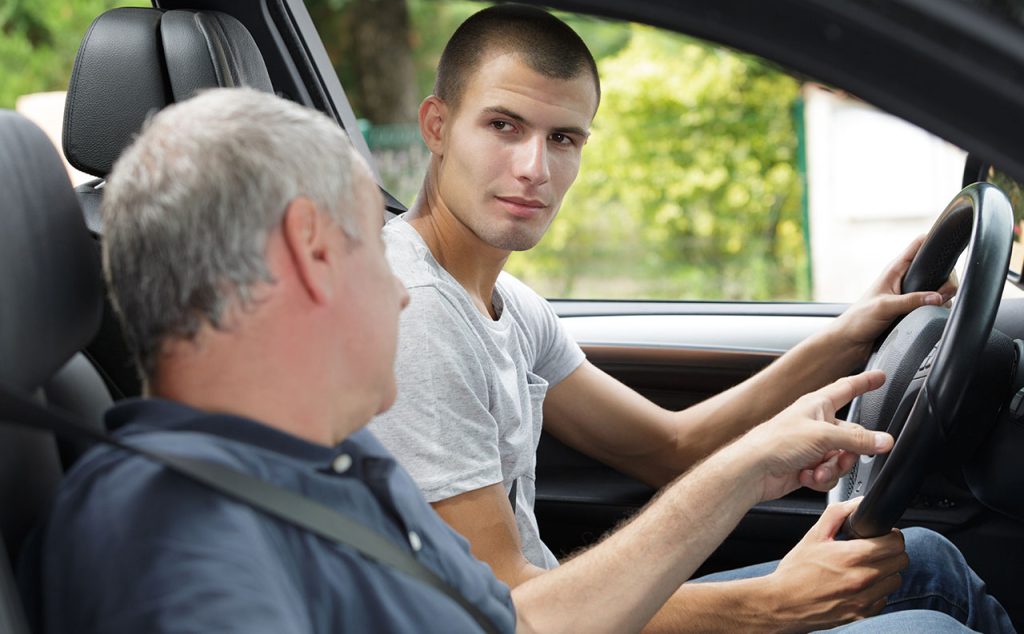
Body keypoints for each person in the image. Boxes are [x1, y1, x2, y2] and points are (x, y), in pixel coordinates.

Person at [29, 87, 989, 633]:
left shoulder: (325, 462)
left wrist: (744, 467)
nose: (400, 287)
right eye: (375, 243)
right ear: (314, 251)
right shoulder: (174, 540)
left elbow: (512, 623)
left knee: (926, 574)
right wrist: (764, 605)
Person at [368, 4, 1012, 632]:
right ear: (436, 126)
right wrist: (770, 605)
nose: (534, 167)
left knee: (924, 561)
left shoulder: (514, 307)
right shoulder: (415, 313)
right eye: (503, 126)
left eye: (562, 138)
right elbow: (511, 613)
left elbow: (669, 447)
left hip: (562, 611)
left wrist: (849, 336)